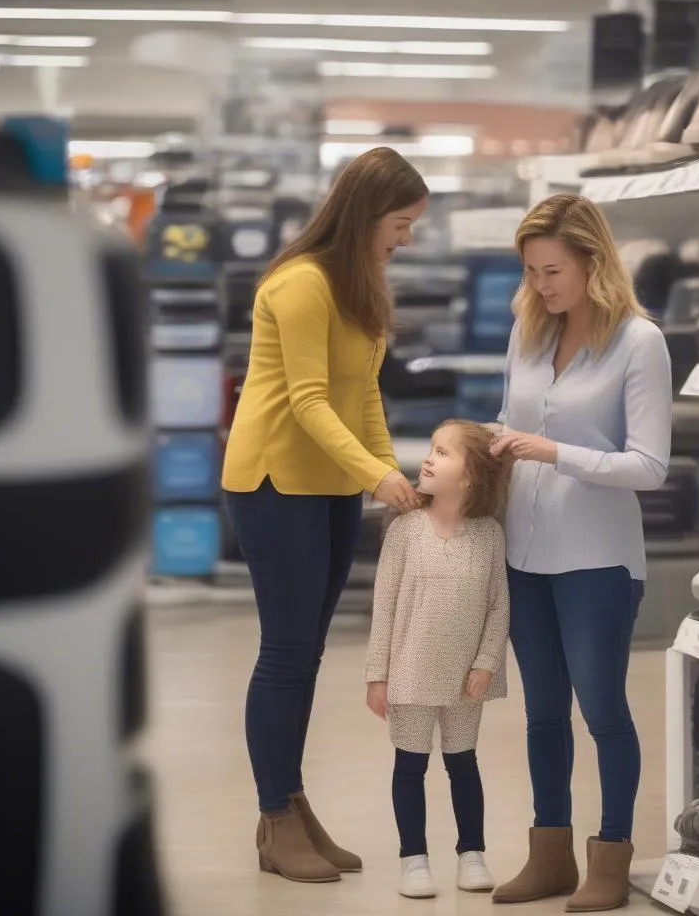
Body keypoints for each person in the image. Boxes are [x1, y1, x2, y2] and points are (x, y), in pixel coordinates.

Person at [222, 147, 426, 883]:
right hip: (275, 480)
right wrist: (374, 473)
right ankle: (277, 817)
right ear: (366, 214)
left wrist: (384, 471)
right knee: (284, 651)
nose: (404, 240)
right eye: (399, 225)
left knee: (307, 652)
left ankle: (292, 805)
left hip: (332, 484)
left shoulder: (360, 283)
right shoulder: (302, 283)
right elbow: (307, 400)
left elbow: (362, 393)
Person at [490, 193, 673, 913]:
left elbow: (649, 466)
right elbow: (513, 419)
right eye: (532, 271)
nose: (541, 286)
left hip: (597, 558)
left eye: (553, 270)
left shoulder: (639, 342)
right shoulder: (529, 333)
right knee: (541, 714)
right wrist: (488, 440)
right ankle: (549, 853)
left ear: (594, 262)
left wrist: (554, 451)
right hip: (524, 552)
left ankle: (611, 855)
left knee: (602, 710)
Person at [365, 420, 511, 900]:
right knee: (409, 767)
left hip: (465, 679)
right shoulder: (405, 531)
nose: (428, 458)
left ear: (471, 477)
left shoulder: (488, 535)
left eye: (443, 452)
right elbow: (383, 606)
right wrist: (378, 675)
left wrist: (486, 662)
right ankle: (414, 861)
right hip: (408, 674)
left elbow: (498, 605)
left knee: (463, 764)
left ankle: (472, 854)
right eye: (431, 448)